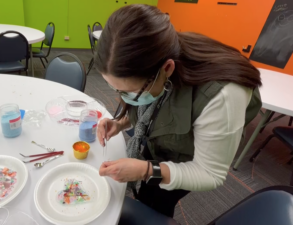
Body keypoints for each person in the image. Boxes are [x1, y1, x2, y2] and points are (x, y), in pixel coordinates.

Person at [95, 4, 262, 218]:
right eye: (115, 89)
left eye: (130, 92)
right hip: (161, 140)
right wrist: (121, 122)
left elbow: (209, 173)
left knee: (158, 201)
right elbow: (148, 105)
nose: (123, 98)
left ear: (167, 69)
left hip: (190, 159)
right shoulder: (156, 57)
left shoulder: (224, 96)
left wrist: (147, 170)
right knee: (149, 193)